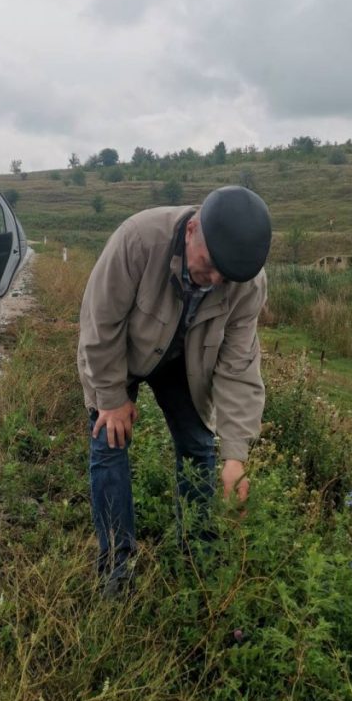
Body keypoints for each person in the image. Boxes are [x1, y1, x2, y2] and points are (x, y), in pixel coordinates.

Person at [77, 185, 272, 595]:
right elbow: (100, 324)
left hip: (185, 359)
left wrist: (236, 455)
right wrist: (112, 399)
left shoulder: (246, 282)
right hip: (121, 352)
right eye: (210, 264)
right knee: (108, 441)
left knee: (200, 447)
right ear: (192, 229)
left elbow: (239, 368)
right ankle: (117, 568)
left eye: (227, 275)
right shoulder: (138, 239)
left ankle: (197, 555)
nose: (217, 279)